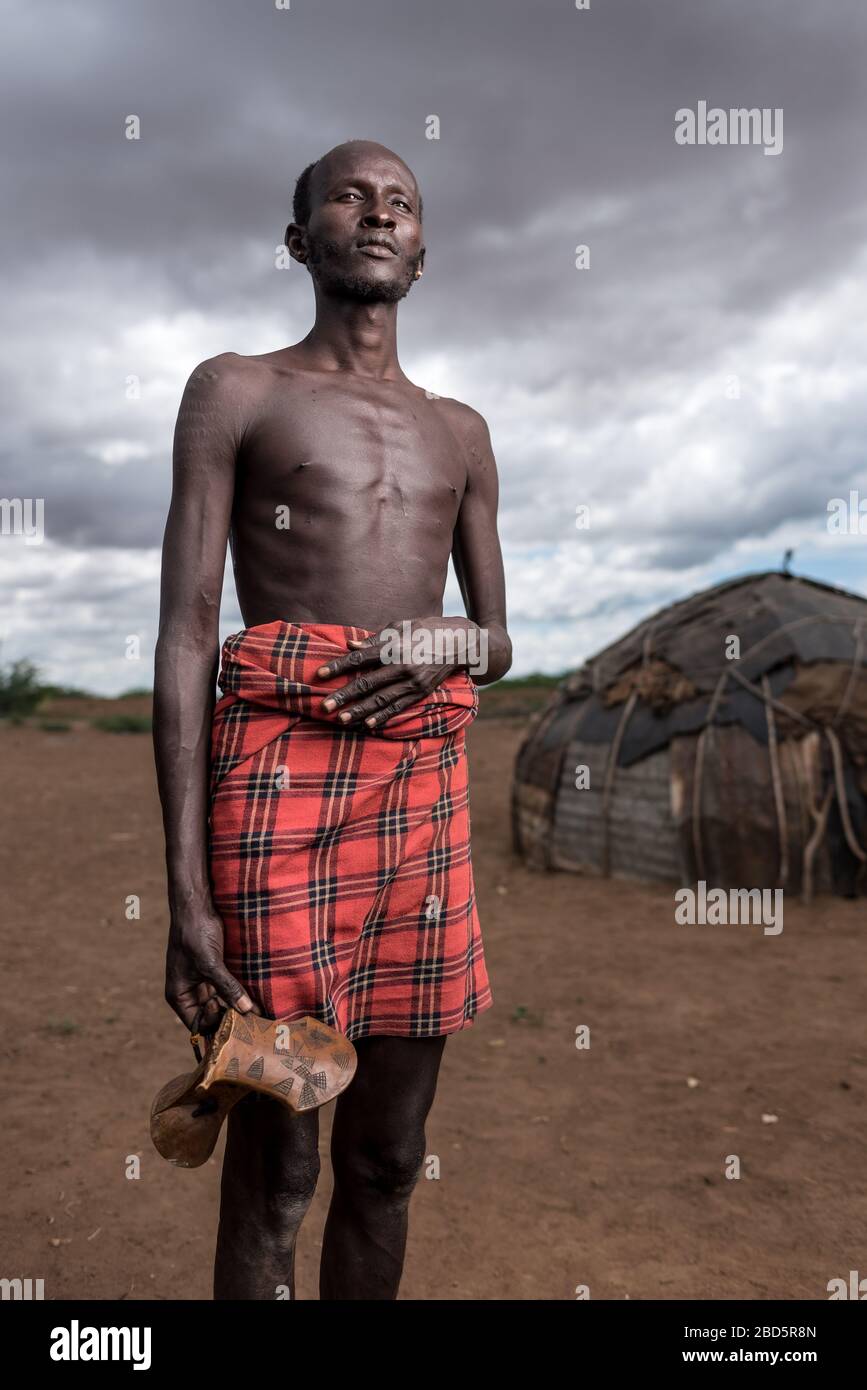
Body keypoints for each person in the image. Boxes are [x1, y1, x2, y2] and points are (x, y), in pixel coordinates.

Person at [153, 139, 511, 1300]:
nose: (379, 213)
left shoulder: (461, 430)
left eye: (401, 202)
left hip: (422, 791)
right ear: (301, 239)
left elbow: (498, 640)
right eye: (349, 197)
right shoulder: (238, 389)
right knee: (278, 1164)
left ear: (423, 247)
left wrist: (443, 638)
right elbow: (188, 635)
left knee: (389, 1157)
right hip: (276, 787)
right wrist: (186, 893)